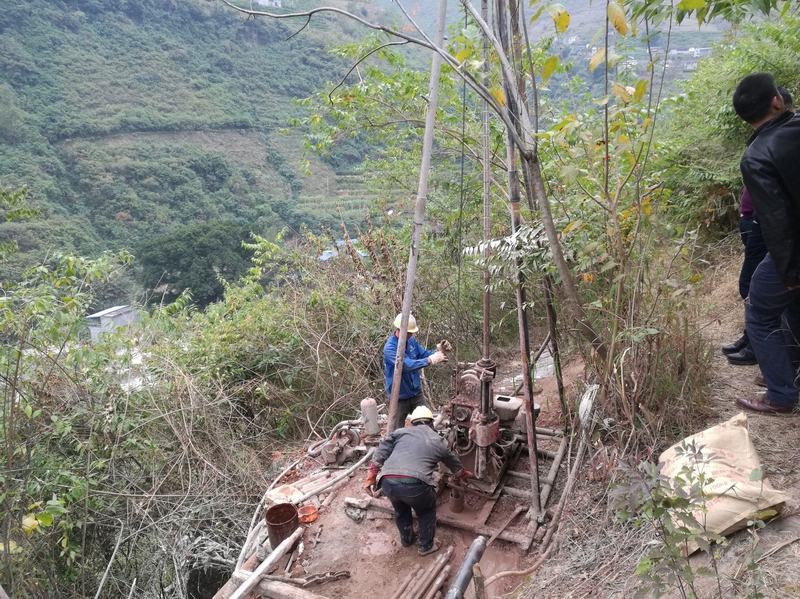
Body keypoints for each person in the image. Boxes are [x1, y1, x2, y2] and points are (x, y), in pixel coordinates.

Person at [732, 73, 800, 414]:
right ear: (777, 101)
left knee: (759, 312)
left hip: (794, 247)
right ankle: (789, 371)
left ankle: (781, 395)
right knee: (794, 305)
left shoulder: (756, 156)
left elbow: (777, 219)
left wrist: (789, 272)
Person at [723, 87, 793, 365]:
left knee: (756, 296)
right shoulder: (767, 143)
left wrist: (790, 271)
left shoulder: (766, 149)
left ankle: (763, 353)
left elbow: (778, 214)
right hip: (756, 223)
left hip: (769, 231)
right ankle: (756, 343)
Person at [364, 406, 473, 556]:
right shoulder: (438, 440)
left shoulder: (399, 433)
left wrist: (371, 477)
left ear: (412, 422)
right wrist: (464, 474)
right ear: (431, 423)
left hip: (388, 482)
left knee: (401, 509)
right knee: (426, 511)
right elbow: (454, 464)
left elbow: (380, 453)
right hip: (414, 485)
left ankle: (407, 539)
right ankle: (425, 546)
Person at [383, 313, 450, 430]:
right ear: (400, 330)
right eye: (409, 332)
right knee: (396, 430)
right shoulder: (390, 348)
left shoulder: (411, 341)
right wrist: (430, 360)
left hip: (416, 393)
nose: (411, 334)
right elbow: (406, 365)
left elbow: (423, 354)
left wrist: (438, 351)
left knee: (427, 423)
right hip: (399, 396)